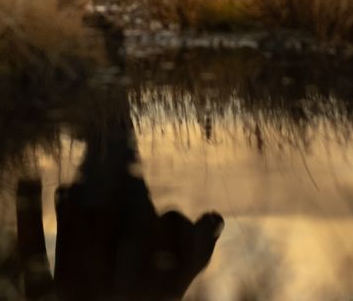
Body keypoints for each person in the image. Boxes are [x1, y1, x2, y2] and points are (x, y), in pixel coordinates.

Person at [15, 91, 223, 299]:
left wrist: (27, 198)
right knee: (113, 131)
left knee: (113, 132)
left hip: (100, 220)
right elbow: (35, 273)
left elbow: (36, 276)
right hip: (110, 219)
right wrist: (27, 198)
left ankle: (90, 82)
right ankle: (90, 81)